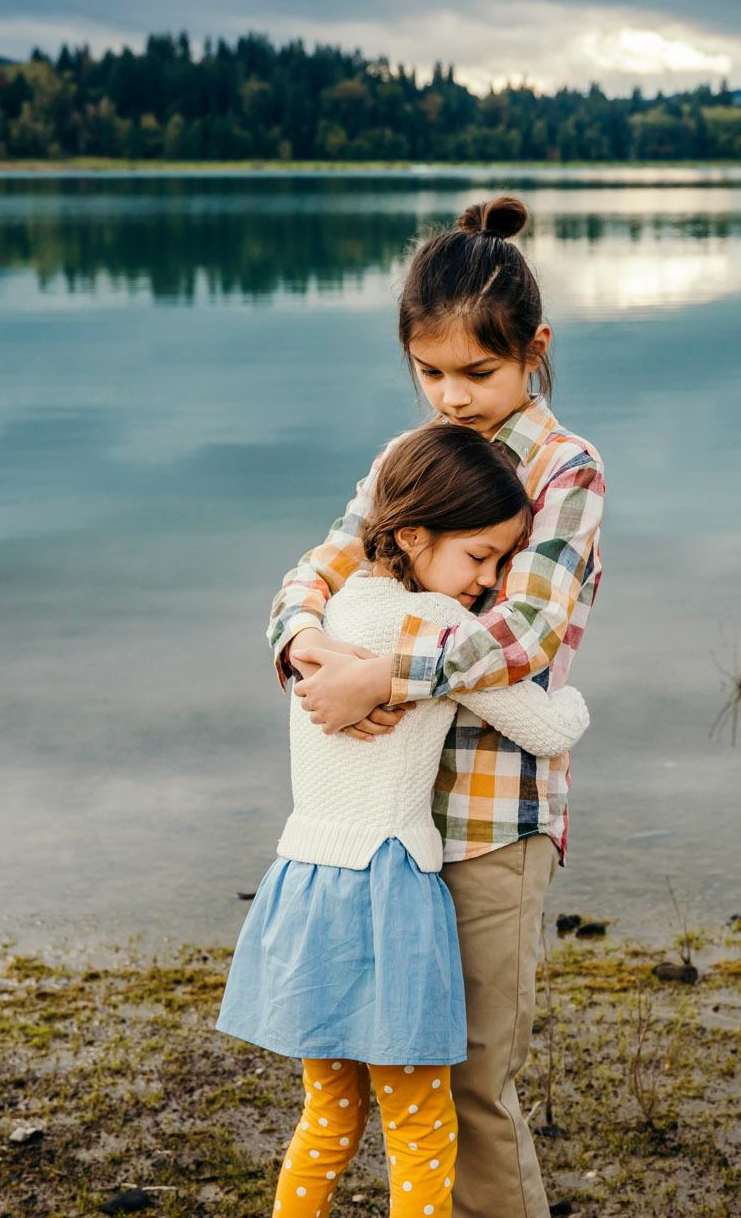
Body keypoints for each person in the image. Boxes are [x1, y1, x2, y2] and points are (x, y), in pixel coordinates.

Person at [271, 195, 606, 1218]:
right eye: (430, 373)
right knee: (389, 1067)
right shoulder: (401, 462)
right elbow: (319, 569)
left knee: (471, 1080)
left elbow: (525, 635)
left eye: (478, 372)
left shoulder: (564, 472)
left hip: (492, 820)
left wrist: (386, 675)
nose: (451, 397)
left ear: (533, 349)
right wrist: (301, 645)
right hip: (384, 834)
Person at [220, 423, 591, 1218]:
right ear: (415, 536)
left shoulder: (331, 614)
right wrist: (575, 698)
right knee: (422, 1125)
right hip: (387, 896)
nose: (489, 580)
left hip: (305, 887)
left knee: (328, 1115)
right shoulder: (436, 627)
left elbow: (296, 595)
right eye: (479, 556)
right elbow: (548, 729)